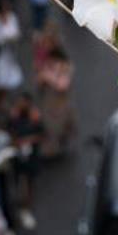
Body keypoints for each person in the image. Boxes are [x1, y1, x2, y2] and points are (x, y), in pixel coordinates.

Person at [33, 26, 76, 157]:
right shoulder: (46, 61)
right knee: (50, 123)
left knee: (59, 123)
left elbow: (63, 85)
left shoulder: (63, 64)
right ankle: (55, 144)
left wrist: (49, 77)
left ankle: (57, 146)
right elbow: (39, 78)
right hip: (49, 98)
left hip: (59, 101)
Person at [6, 91, 43, 230]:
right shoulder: (14, 117)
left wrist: (26, 140)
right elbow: (9, 131)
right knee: (16, 182)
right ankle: (18, 207)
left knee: (29, 183)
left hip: (30, 157)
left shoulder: (35, 118)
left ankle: (26, 208)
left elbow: (42, 134)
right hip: (17, 156)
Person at [0, 0, 24, 102]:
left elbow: (16, 32)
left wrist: (14, 38)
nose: (5, 13)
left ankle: (6, 98)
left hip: (10, 54)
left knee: (10, 78)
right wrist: (4, 38)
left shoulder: (12, 18)